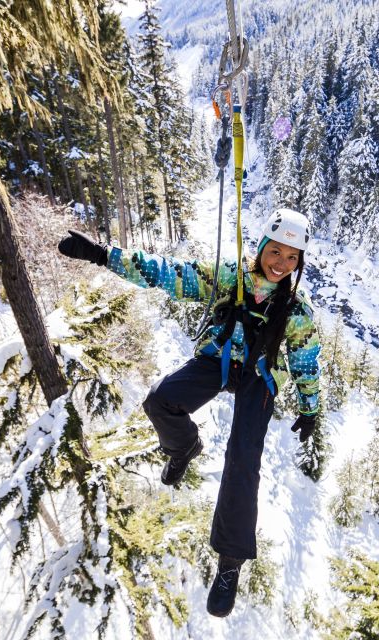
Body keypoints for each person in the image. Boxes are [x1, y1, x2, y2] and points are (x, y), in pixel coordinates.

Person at [58, 207, 321, 618]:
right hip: (220, 358)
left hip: (259, 377)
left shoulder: (296, 309)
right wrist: (102, 255)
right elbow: (168, 274)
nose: (282, 265)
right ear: (262, 247)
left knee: (243, 459)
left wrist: (311, 408)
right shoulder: (230, 278)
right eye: (276, 252)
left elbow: (305, 359)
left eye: (292, 259)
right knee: (159, 400)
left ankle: (230, 563)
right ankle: (184, 446)